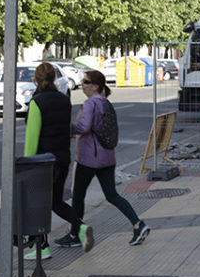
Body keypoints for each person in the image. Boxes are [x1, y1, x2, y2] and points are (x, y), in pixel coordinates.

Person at [57, 69, 150, 248]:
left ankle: (75, 234)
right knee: (112, 195)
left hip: (89, 158)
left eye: (85, 82)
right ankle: (138, 224)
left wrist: (65, 128)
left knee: (78, 195)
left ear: (95, 86)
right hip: (107, 157)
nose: (82, 85)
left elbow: (84, 128)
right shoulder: (105, 102)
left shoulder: (91, 103)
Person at [23, 62, 94, 258]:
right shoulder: (64, 100)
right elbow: (67, 129)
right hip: (63, 158)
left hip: (43, 162)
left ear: (36, 79)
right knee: (55, 201)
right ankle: (80, 227)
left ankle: (41, 248)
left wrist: (27, 163)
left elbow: (32, 137)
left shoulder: (37, 102)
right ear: (54, 78)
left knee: (36, 203)